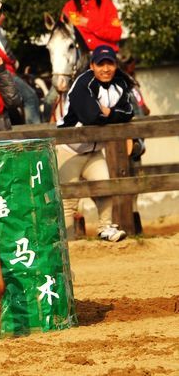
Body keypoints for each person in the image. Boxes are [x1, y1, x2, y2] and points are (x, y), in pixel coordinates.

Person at [56, 44, 134, 242]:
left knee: (105, 187)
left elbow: (130, 112)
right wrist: (115, 115)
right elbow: (90, 116)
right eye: (101, 64)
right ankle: (68, 241)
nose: (106, 69)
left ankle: (105, 228)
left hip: (94, 150)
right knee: (68, 199)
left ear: (116, 65)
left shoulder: (120, 83)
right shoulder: (83, 82)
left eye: (110, 64)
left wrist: (109, 113)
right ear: (92, 65)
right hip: (69, 149)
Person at [0, 13, 41, 123]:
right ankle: (35, 132)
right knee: (31, 97)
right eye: (2, 14)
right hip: (2, 71)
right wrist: (15, 62)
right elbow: (5, 51)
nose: (4, 17)